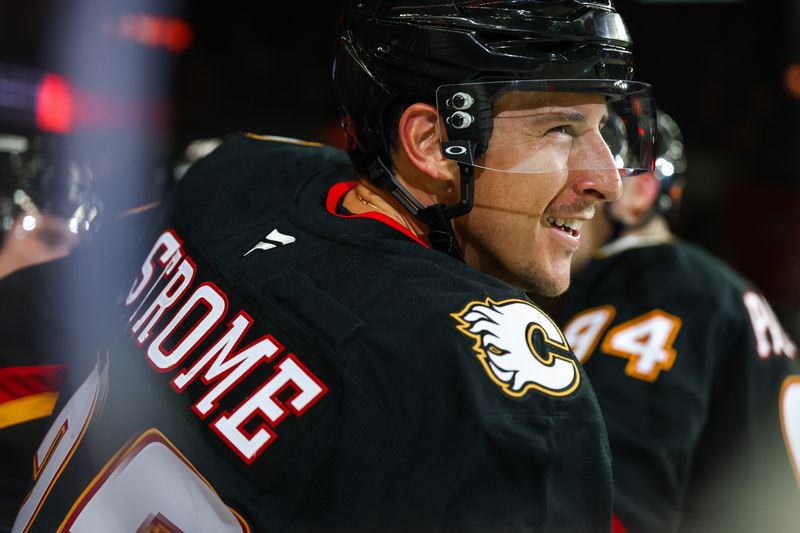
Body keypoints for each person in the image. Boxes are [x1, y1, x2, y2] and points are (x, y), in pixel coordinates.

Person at [13, 1, 655, 531]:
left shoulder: (234, 177)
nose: (605, 179)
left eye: (604, 131)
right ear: (431, 142)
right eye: (562, 130)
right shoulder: (481, 377)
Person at [560, 111, 800, 533]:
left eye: (584, 175)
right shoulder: (704, 285)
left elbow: (613, 502)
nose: (561, 193)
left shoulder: (653, 286)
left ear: (638, 194)